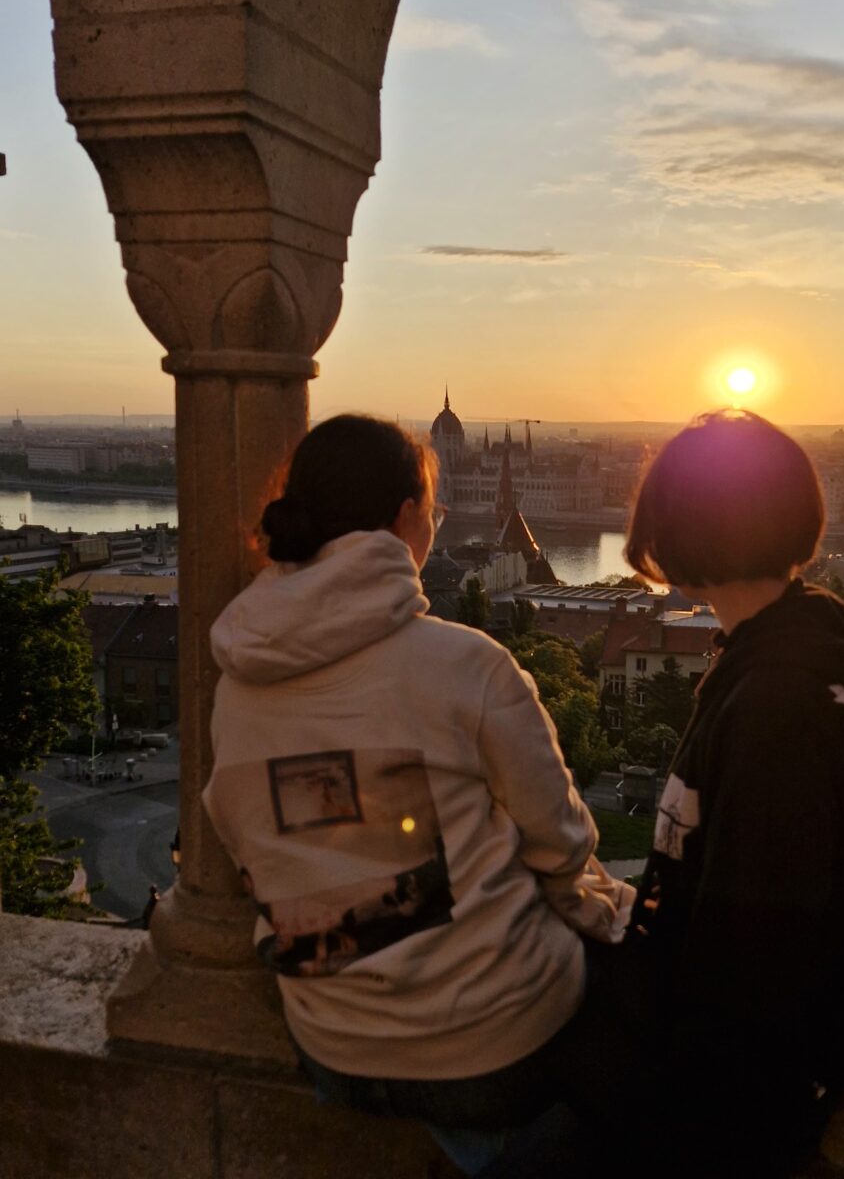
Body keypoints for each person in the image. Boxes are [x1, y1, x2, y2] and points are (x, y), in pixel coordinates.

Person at [201, 415, 632, 1175]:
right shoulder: (467, 664)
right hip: (488, 1054)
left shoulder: (237, 681)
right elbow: (562, 846)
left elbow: (245, 834)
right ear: (407, 516)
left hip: (330, 1046)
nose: (436, 524)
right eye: (432, 512)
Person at [538, 410, 844, 1179]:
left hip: (719, 1101)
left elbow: (760, 946)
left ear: (683, 533)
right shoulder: (800, 653)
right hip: (731, 1066)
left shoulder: (778, 702)